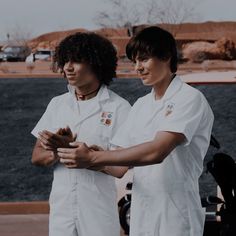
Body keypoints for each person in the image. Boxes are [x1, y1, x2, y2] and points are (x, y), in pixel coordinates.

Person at [57, 26, 214, 236]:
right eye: (135, 61)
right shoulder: (141, 105)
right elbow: (119, 167)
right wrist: (84, 155)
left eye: (144, 59)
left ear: (166, 56)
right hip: (141, 213)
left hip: (176, 214)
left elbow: (156, 151)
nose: (138, 68)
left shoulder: (189, 98)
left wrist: (95, 157)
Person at [31, 32, 131, 236]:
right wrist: (60, 151)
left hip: (98, 211)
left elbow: (120, 169)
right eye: (65, 60)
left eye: (76, 61)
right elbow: (37, 157)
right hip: (62, 209)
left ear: (97, 64)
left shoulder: (119, 108)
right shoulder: (58, 104)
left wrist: (87, 158)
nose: (68, 67)